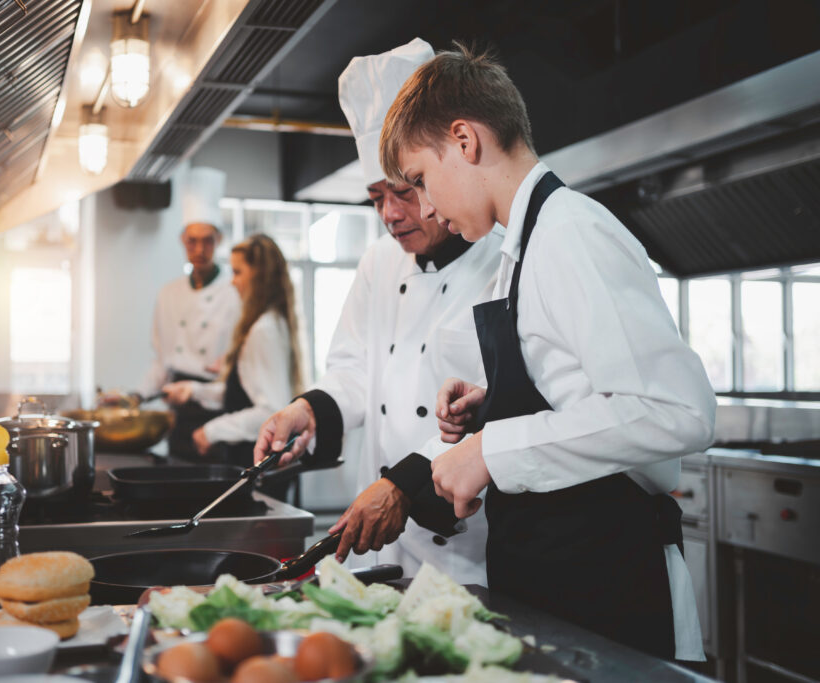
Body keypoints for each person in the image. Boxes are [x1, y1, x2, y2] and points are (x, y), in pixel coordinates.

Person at [368, 44, 716, 661]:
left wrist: (491, 449)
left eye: (421, 180)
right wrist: (492, 407)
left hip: (609, 591)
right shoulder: (521, 249)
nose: (424, 209)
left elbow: (676, 411)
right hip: (556, 584)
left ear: (465, 139)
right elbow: (580, 392)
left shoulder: (571, 233)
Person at [252, 39, 504, 583]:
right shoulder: (377, 263)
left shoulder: (503, 258)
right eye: (375, 197)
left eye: (404, 191)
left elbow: (500, 411)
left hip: (466, 545)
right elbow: (352, 370)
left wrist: (406, 487)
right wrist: (308, 411)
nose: (390, 214)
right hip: (382, 537)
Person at [163, 234, 302, 480]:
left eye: (237, 273)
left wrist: (212, 431)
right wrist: (193, 390)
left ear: (259, 277)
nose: (232, 282)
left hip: (258, 460)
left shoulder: (263, 331)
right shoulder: (268, 323)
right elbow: (242, 393)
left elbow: (270, 410)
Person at [137, 167, 241, 458]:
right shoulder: (168, 294)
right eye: (192, 241)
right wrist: (135, 396)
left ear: (218, 241)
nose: (199, 249)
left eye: (207, 240)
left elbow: (239, 364)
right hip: (178, 411)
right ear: (183, 242)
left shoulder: (234, 292)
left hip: (217, 408)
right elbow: (163, 361)